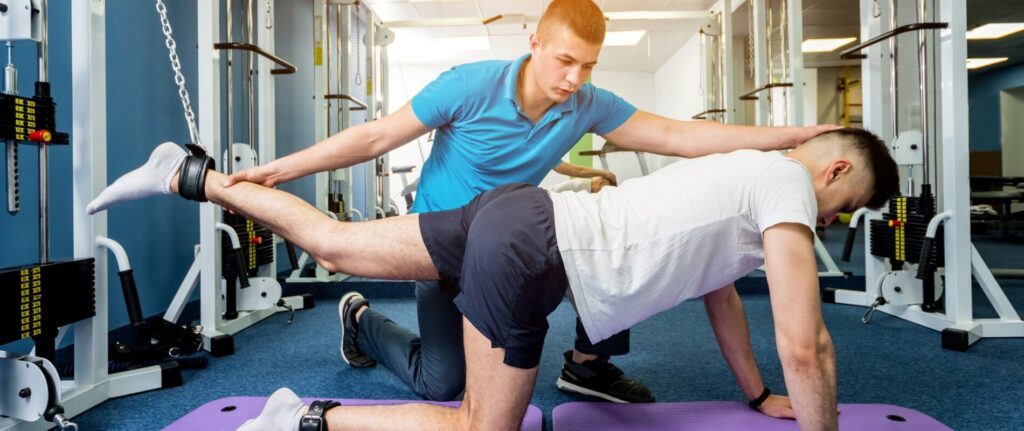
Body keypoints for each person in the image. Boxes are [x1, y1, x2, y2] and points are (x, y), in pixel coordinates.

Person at [209, 0, 836, 404]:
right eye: (566, 60)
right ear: (533, 41)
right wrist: (276, 171)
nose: (575, 79)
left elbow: (678, 134)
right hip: (439, 246)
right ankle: (362, 323)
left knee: (623, 248)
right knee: (444, 385)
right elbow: (373, 137)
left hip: (513, 242)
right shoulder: (469, 86)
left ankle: (589, 365)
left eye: (588, 66)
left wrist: (786, 139)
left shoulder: (587, 104)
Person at [85, 127, 900, 431]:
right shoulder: (787, 186)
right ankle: (307, 419)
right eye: (845, 205)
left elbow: (721, 293)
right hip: (536, 254)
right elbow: (808, 340)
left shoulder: (744, 177)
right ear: (831, 169)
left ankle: (194, 178)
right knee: (482, 426)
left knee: (335, 245)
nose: (830, 224)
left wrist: (756, 395)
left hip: (518, 217)